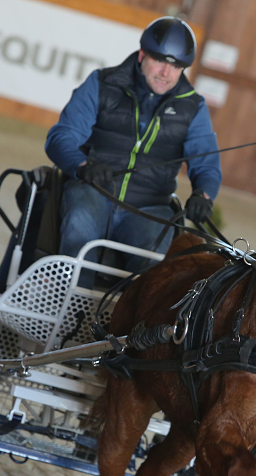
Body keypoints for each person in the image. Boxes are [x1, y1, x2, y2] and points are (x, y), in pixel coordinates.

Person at [45, 16, 222, 285]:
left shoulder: (193, 107)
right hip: (94, 191)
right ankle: (72, 311)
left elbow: (206, 165)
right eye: (160, 60)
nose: (166, 73)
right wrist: (83, 166)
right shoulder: (101, 84)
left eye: (176, 67)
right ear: (142, 54)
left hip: (150, 206)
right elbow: (61, 137)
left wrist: (204, 195)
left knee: (155, 258)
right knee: (80, 227)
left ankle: (130, 325)